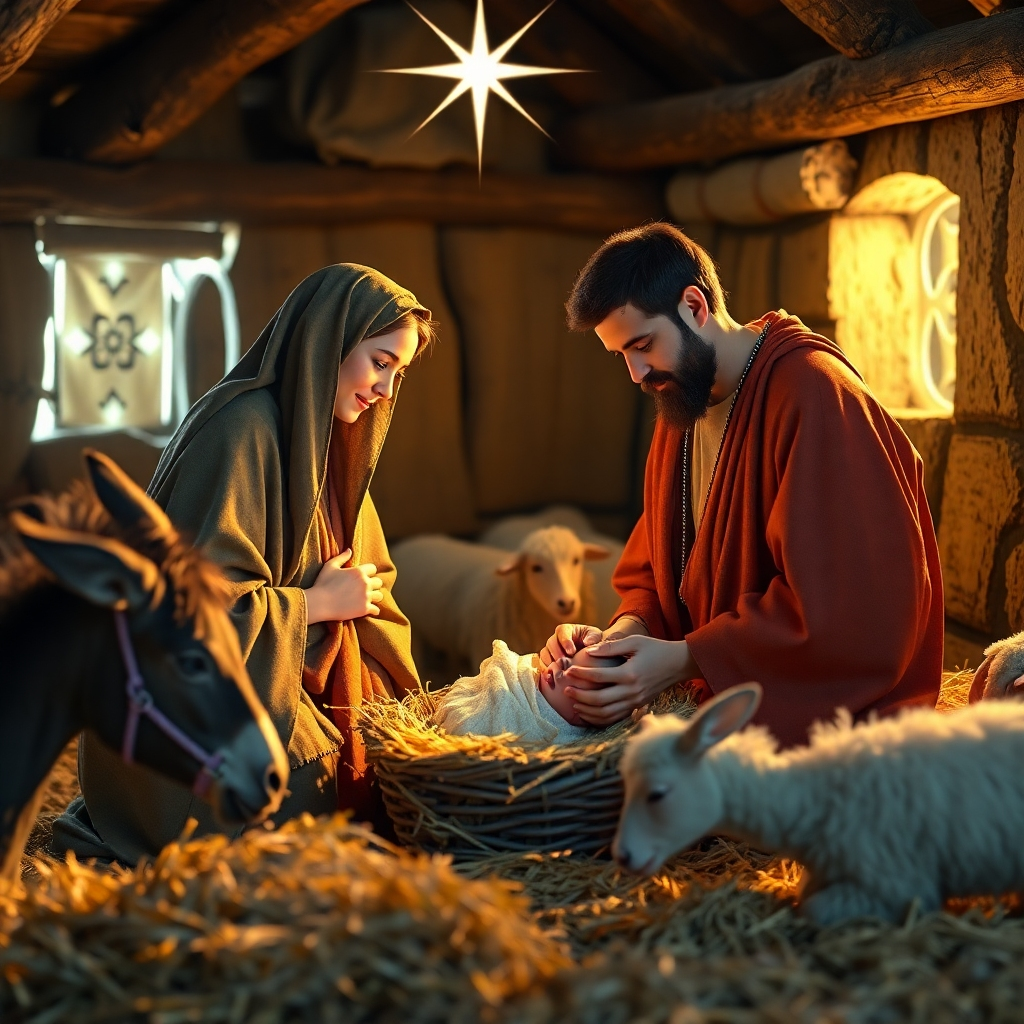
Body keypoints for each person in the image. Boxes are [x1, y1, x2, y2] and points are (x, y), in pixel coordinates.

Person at [52, 264, 432, 863]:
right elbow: (187, 615)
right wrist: (315, 605)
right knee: (311, 793)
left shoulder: (330, 441)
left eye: (398, 373)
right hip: (200, 700)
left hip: (285, 674)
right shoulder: (242, 432)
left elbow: (373, 579)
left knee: (397, 763)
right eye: (380, 362)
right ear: (330, 340)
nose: (386, 389)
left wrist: (356, 609)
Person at [539, 223, 943, 747]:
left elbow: (856, 612)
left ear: (694, 306)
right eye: (621, 355)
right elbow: (659, 570)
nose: (636, 374)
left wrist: (685, 658)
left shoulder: (815, 394)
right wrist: (622, 638)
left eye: (643, 345)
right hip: (716, 703)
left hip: (829, 735)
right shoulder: (681, 406)